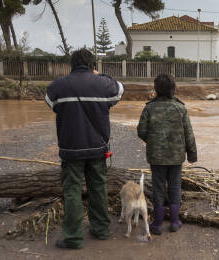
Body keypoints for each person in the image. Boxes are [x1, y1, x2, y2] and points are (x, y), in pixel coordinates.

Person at [45, 49, 124, 249]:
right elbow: (119, 89)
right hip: (97, 148)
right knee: (98, 188)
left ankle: (73, 237)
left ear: (72, 65)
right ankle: (101, 230)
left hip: (71, 150)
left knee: (72, 191)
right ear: (92, 65)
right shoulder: (103, 84)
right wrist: (99, 75)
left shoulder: (58, 85)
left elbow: (49, 101)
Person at [137, 74, 197, 235]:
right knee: (175, 187)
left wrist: (153, 141)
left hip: (156, 157)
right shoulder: (181, 108)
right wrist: (192, 155)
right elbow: (188, 134)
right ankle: (175, 222)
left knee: (158, 189)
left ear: (156, 89)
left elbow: (141, 131)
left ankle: (157, 225)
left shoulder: (149, 108)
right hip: (176, 157)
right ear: (173, 89)